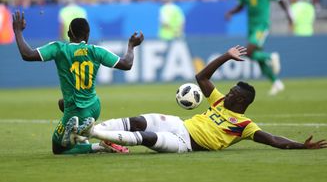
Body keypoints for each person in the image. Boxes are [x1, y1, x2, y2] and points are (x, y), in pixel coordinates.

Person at [70, 45, 326, 153]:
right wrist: (226, 56)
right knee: (138, 121)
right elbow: (201, 76)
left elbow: (272, 139)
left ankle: (91, 132)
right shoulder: (218, 101)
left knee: (147, 139)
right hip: (179, 124)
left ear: (242, 102)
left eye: (233, 93)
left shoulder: (244, 125)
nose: (227, 93)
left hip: (185, 143)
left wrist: (302, 146)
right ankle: (89, 131)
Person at [12, 10, 144, 154]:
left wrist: (18, 31)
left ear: (69, 34)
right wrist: (131, 46)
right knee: (62, 103)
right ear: (87, 35)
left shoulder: (59, 49)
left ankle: (98, 146)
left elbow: (27, 54)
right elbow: (127, 64)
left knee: (58, 149)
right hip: (94, 107)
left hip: (76, 109)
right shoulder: (96, 51)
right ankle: (81, 132)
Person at [225, 0, 294, 95]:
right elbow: (241, 5)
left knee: (248, 51)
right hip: (251, 26)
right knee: (256, 58)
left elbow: (281, 0)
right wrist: (231, 12)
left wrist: (289, 14)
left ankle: (270, 56)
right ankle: (276, 82)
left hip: (262, 25)